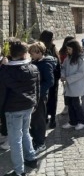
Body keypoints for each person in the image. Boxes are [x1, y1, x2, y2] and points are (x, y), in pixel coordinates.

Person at [0, 41, 40, 176]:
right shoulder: (33, 68)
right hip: (28, 106)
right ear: (24, 54)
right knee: (25, 132)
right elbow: (37, 88)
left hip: (13, 109)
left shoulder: (6, 70)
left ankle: (19, 171)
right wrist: (35, 103)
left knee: (15, 139)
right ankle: (31, 158)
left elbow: (2, 92)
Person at [28, 41, 56, 154]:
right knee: (34, 119)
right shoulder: (36, 61)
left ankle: (40, 143)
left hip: (40, 96)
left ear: (39, 52)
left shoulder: (46, 63)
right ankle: (36, 140)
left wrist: (38, 91)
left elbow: (50, 81)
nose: (31, 55)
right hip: (35, 94)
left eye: (32, 53)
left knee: (39, 120)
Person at [61, 39, 84, 130]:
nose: (68, 51)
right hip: (69, 85)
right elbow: (63, 67)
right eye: (67, 49)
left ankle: (82, 121)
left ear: (75, 49)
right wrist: (63, 75)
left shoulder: (81, 60)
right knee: (70, 104)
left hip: (76, 85)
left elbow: (81, 73)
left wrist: (68, 79)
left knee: (76, 104)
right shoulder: (68, 58)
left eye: (69, 49)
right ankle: (73, 121)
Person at [39, 30, 61, 129]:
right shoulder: (42, 49)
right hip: (48, 79)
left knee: (50, 99)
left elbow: (58, 65)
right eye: (52, 38)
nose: (53, 39)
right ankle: (48, 117)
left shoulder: (52, 48)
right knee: (49, 99)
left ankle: (51, 118)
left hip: (49, 79)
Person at [58, 36, 75, 116]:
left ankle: (74, 105)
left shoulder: (75, 50)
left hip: (73, 75)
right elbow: (61, 64)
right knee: (66, 92)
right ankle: (67, 106)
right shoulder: (62, 52)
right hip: (66, 75)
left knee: (74, 91)